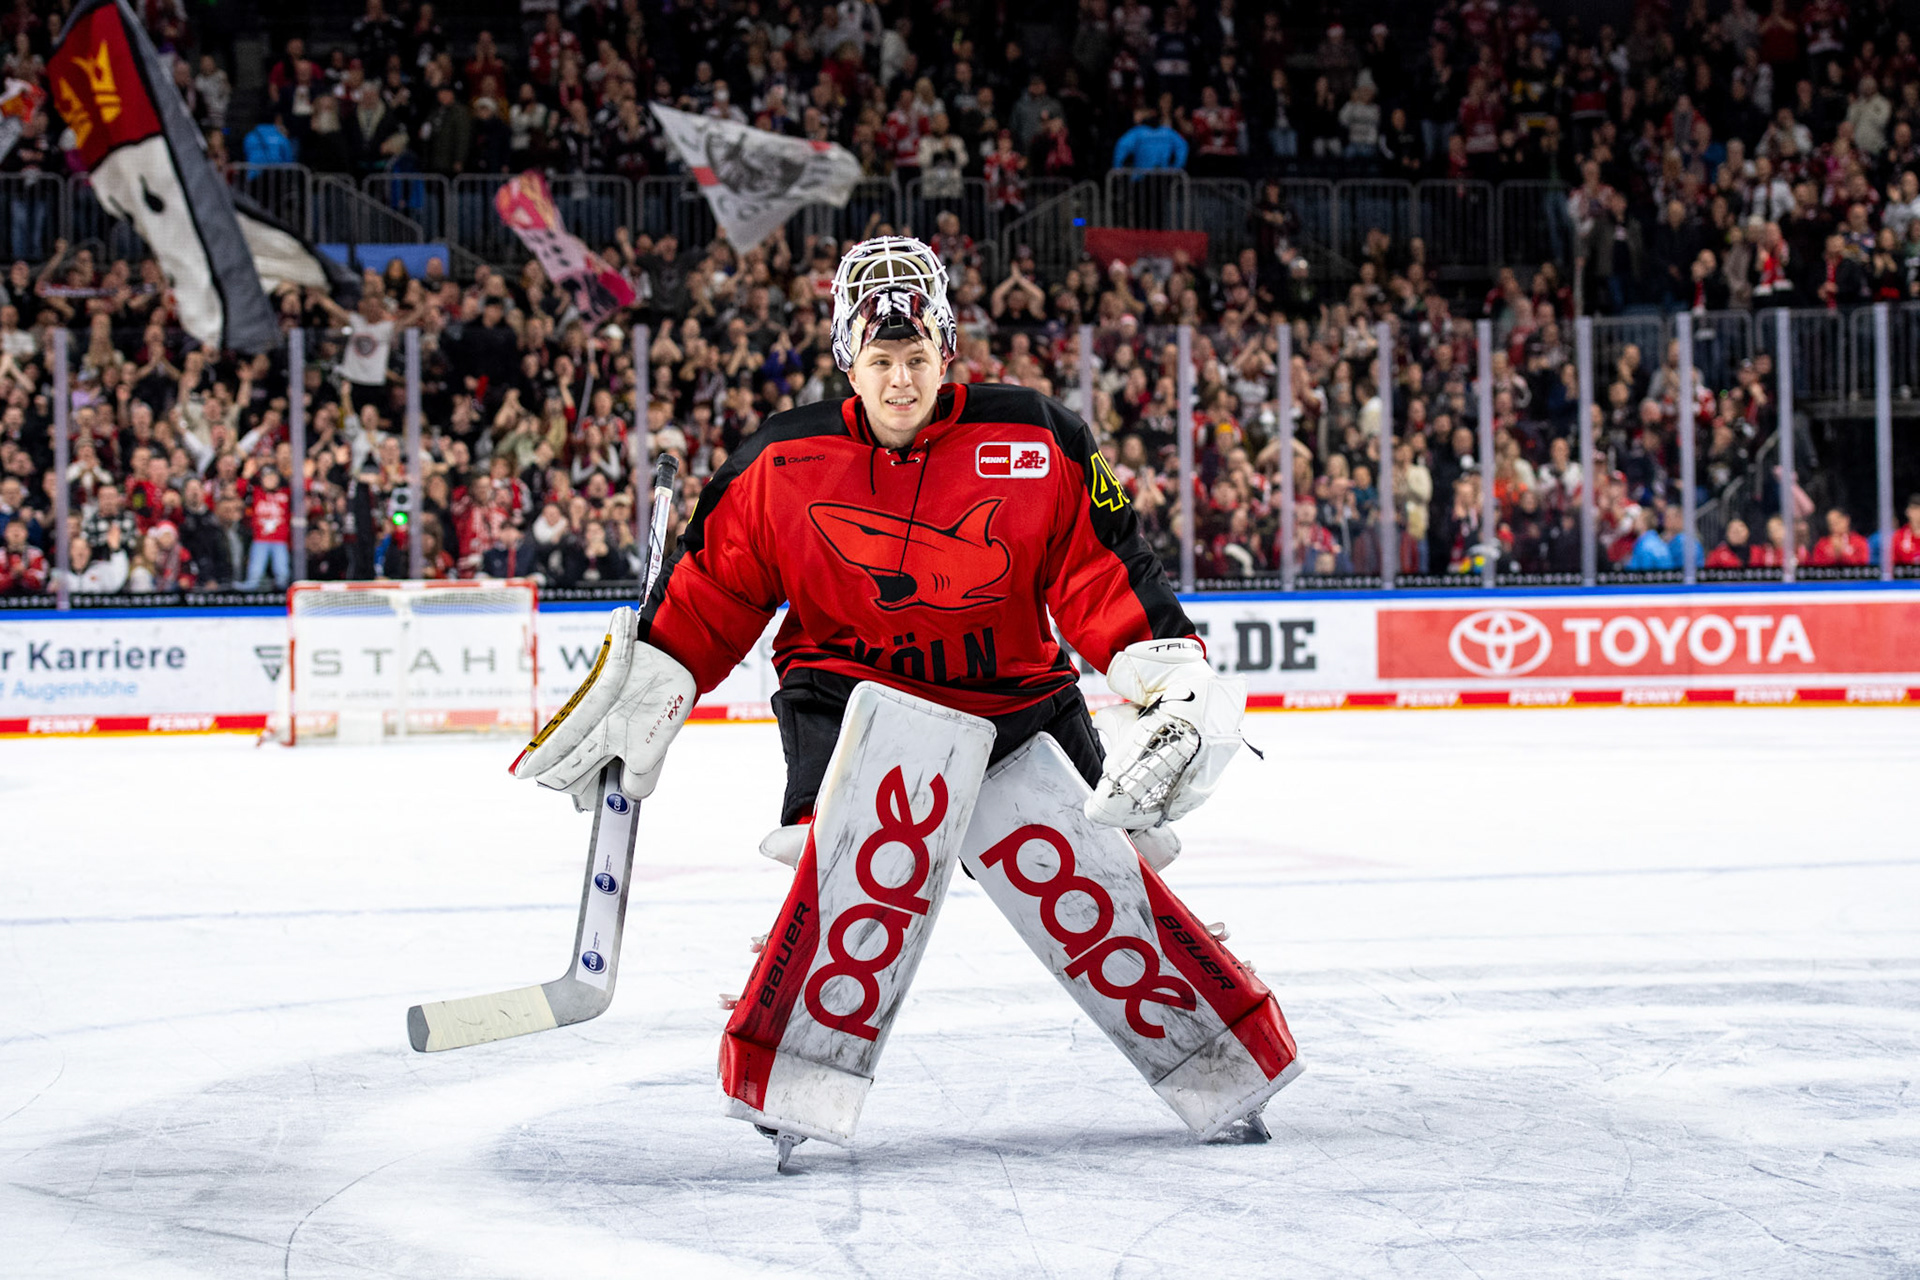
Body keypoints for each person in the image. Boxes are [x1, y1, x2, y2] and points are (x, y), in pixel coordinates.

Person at [509, 235, 1286, 1159]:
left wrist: (1170, 676)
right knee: (851, 895)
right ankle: (790, 1058)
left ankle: (1221, 1054)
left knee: (1110, 895)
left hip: (1018, 704)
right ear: (848, 360)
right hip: (851, 706)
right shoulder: (781, 465)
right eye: (882, 361)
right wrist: (657, 673)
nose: (902, 380)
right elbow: (712, 590)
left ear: (946, 350)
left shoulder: (1039, 438)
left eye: (918, 358)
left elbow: (1102, 574)